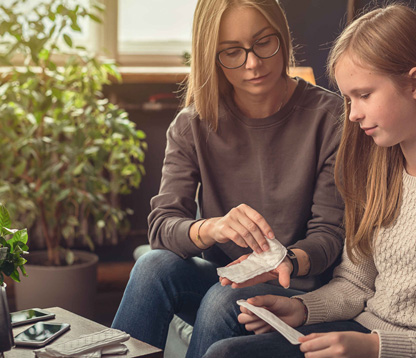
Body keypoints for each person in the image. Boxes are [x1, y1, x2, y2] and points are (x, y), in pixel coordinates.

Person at [203, 4, 416, 358]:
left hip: (401, 349)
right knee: (227, 352)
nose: (354, 114)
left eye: (365, 95)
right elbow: (355, 284)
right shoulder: (380, 167)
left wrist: (376, 348)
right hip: (362, 332)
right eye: (348, 98)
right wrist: (302, 309)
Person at [111, 0, 346, 357]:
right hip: (226, 276)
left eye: (264, 42)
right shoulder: (192, 125)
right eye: (232, 52)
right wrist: (213, 228)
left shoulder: (330, 118)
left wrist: (285, 261)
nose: (252, 63)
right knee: (151, 266)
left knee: (225, 299)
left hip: (295, 285)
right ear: (212, 56)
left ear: (282, 35)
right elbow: (161, 227)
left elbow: (329, 235)